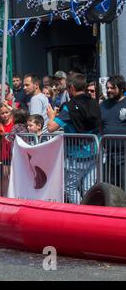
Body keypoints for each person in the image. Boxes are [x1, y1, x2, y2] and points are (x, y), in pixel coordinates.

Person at [47, 73, 102, 203]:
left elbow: (51, 128)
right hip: (95, 152)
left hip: (76, 156)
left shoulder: (69, 107)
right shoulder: (94, 102)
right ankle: (90, 213)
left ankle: (83, 213)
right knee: (89, 187)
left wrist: (51, 115)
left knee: (70, 187)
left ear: (71, 88)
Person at [100, 75, 126, 190]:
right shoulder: (103, 105)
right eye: (107, 88)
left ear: (121, 88)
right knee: (109, 189)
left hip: (124, 155)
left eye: (112, 88)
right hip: (109, 155)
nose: (109, 90)